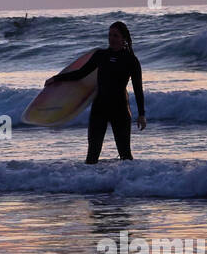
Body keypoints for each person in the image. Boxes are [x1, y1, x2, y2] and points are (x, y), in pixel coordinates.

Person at [45, 20, 146, 163]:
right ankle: (90, 184)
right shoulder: (100, 55)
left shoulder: (131, 60)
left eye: (115, 35)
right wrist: (56, 78)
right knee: (92, 156)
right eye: (109, 35)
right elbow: (80, 73)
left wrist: (141, 114)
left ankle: (128, 184)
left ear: (124, 38)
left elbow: (137, 88)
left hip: (120, 110)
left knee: (125, 156)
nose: (111, 38)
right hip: (99, 108)